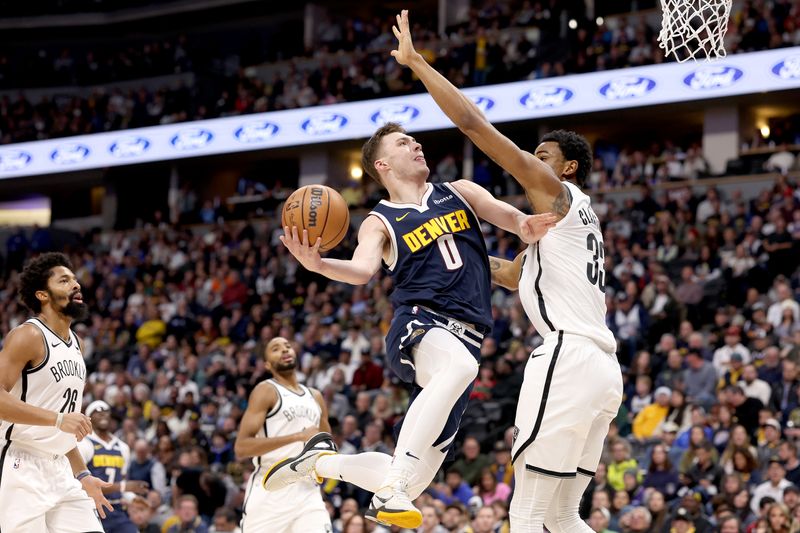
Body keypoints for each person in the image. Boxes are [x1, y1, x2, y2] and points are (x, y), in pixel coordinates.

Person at [389, 10, 623, 533]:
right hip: (604, 371)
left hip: (568, 354)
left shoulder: (558, 193)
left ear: (566, 168)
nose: (531, 165)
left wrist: (418, 64)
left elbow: (473, 125)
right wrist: (430, 251)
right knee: (563, 517)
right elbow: (514, 276)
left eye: (542, 156)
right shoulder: (576, 223)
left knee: (527, 515)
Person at [264, 114, 554, 527]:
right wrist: (319, 264)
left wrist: (528, 224)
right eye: (403, 143)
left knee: (416, 481)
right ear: (382, 165)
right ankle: (392, 487)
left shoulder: (460, 191)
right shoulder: (380, 220)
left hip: (469, 334)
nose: (415, 145)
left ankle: (320, 463)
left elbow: (511, 219)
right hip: (421, 323)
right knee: (458, 369)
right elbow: (363, 270)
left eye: (415, 141)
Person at [0, 252, 111, 531]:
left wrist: (83, 473)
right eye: (64, 280)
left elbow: (65, 422)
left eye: (75, 279)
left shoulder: (78, 344)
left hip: (60, 468)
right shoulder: (28, 336)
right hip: (20, 465)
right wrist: (59, 420)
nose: (76, 285)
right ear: (43, 295)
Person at [233, 337, 333, 532]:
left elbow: (327, 444)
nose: (285, 350)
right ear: (267, 364)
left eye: (287, 346)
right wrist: (297, 437)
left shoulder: (315, 396)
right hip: (270, 490)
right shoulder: (266, 391)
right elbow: (242, 447)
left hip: (307, 491)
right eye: (276, 349)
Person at [79, 400, 150, 533]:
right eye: (97, 412)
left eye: (105, 412)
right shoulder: (83, 443)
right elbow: (81, 484)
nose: (102, 415)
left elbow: (122, 482)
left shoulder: (123, 447)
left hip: (116, 508)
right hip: (90, 508)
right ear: (88, 418)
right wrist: (123, 487)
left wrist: (132, 498)